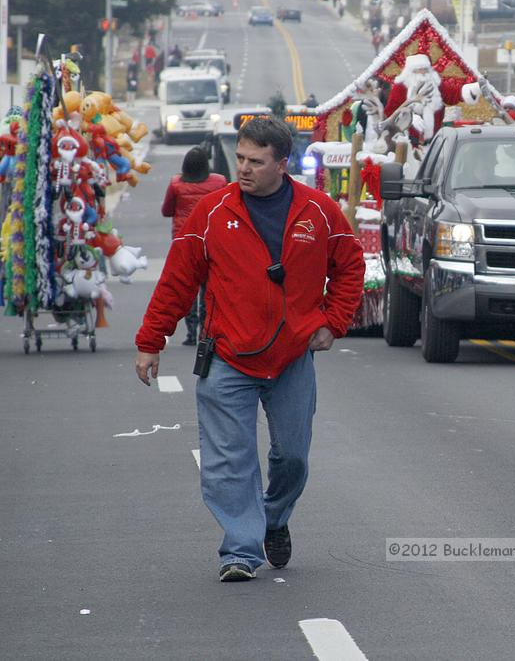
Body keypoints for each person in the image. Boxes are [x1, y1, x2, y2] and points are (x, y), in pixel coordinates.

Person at [135, 118, 365, 581]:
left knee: (293, 457)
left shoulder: (318, 211)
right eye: (240, 158)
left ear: (282, 164)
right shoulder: (213, 212)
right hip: (229, 357)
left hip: (291, 357)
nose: (244, 169)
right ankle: (240, 548)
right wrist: (150, 341)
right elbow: (178, 281)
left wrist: (333, 322)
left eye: (256, 162)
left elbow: (350, 264)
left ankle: (274, 518)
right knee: (228, 461)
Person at [160, 147, 228, 345]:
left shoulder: (176, 185)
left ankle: (190, 332)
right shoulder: (219, 182)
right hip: (213, 238)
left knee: (189, 286)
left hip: (185, 240)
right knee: (209, 287)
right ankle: (204, 331)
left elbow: (167, 210)